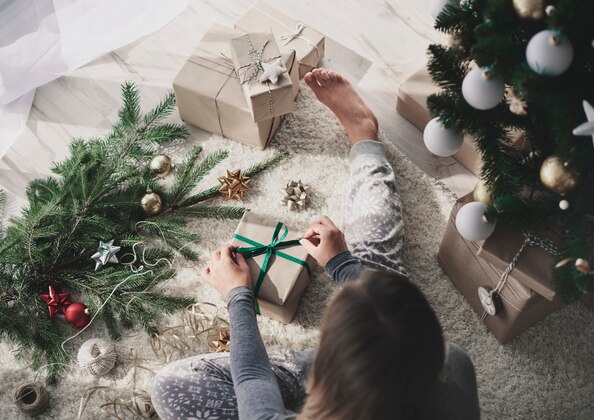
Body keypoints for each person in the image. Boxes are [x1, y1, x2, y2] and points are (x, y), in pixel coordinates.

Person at [152, 68, 480, 420]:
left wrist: (238, 296)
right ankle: (363, 136)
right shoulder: (452, 365)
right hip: (388, 369)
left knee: (171, 385)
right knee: (375, 277)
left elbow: (252, 381)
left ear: (326, 385)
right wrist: (340, 263)